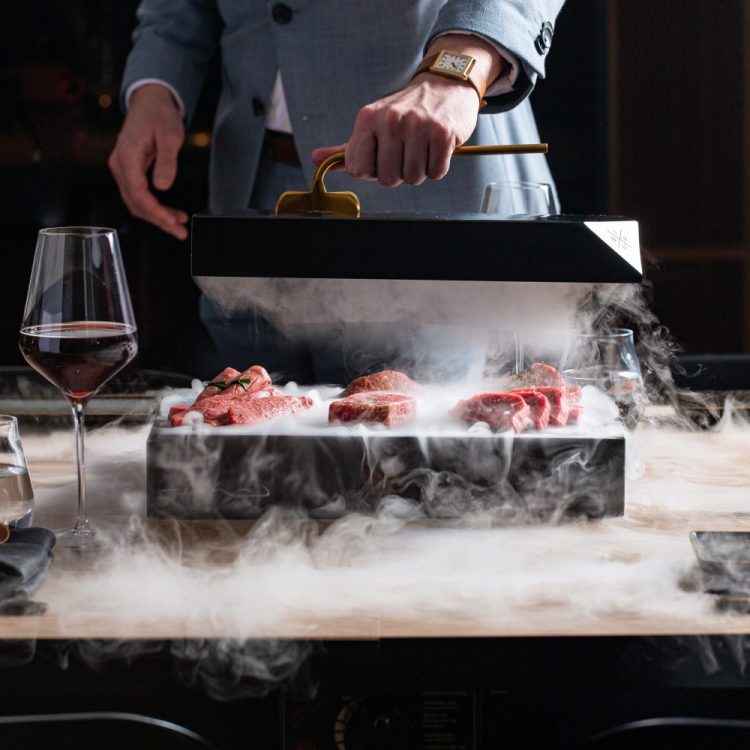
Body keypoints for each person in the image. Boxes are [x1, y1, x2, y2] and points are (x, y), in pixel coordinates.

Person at [110, 0, 566, 382]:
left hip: (425, 189)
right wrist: (156, 84)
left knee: (430, 473)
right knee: (256, 475)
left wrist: (455, 68)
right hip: (250, 201)